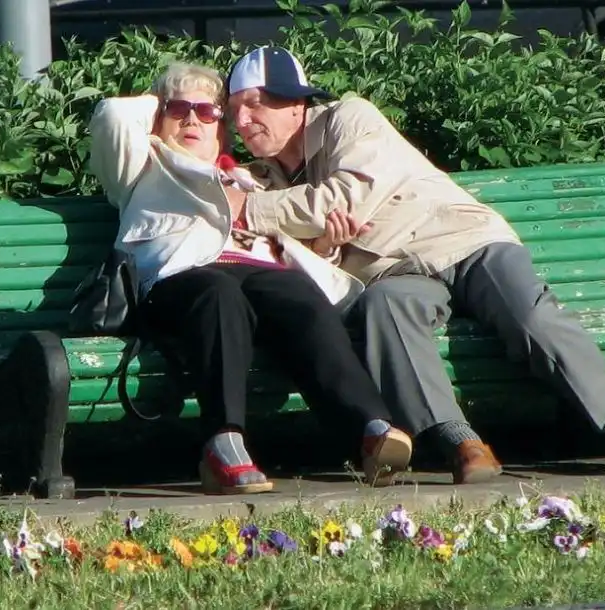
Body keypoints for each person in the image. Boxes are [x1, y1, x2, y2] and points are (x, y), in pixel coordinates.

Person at [221, 46, 605, 484]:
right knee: (384, 308)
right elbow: (309, 253)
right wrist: (321, 242)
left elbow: (345, 197)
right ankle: (461, 442)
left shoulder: (349, 119)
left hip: (464, 239)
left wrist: (249, 208)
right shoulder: (263, 179)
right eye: (235, 109)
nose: (242, 120)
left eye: (255, 104)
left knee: (528, 315)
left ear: (296, 103)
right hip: (393, 271)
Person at [87, 61, 413, 495]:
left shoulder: (250, 180)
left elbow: (291, 243)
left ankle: (369, 432)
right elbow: (112, 114)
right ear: (158, 117)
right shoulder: (142, 167)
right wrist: (159, 102)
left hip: (259, 273)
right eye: (179, 109)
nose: (191, 120)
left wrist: (323, 248)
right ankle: (223, 443)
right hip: (180, 279)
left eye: (207, 112)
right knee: (218, 290)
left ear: (221, 129)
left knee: (297, 292)